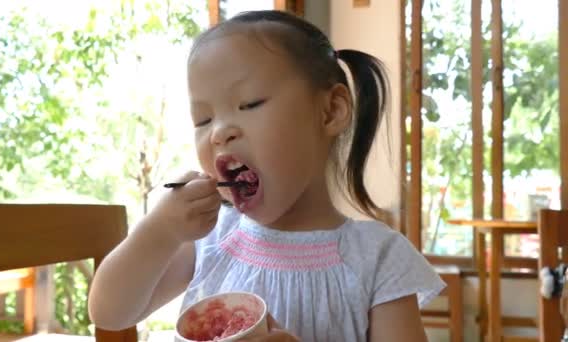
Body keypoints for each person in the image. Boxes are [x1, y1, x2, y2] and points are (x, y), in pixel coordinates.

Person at [88, 10, 445, 342]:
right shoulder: (210, 241)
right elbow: (110, 312)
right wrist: (160, 230)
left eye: (250, 104)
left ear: (330, 111)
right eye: (203, 120)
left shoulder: (377, 259)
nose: (219, 133)